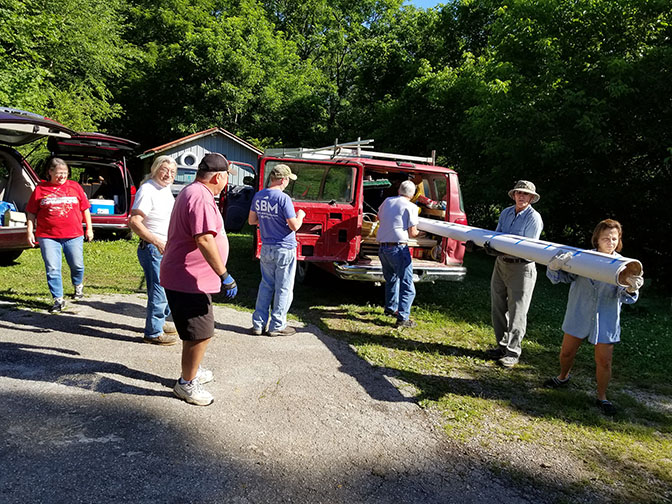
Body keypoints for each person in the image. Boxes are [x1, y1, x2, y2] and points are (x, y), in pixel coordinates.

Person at [160, 153, 238, 406]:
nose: (227, 181)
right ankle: (186, 383)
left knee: (197, 331)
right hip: (188, 278)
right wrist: (224, 275)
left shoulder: (192, 190)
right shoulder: (201, 197)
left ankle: (193, 369)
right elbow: (204, 238)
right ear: (218, 176)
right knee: (200, 333)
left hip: (190, 277)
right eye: (227, 176)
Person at [543, 219, 642, 416]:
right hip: (579, 313)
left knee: (604, 361)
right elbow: (560, 278)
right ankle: (563, 377)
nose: (610, 242)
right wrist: (554, 267)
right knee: (566, 353)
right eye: (606, 238)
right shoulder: (581, 258)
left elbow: (627, 298)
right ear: (597, 239)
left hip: (605, 319)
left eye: (614, 238)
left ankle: (602, 397)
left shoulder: (624, 265)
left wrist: (631, 287)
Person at [26, 158, 94, 313]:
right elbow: (31, 212)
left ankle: (78, 285)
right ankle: (58, 299)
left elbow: (85, 209)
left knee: (77, 265)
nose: (62, 177)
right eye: (59, 173)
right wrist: (29, 231)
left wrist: (89, 229)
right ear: (50, 172)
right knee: (52, 268)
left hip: (74, 235)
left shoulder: (75, 187)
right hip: (48, 236)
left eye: (65, 173)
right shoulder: (40, 189)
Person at [487, 180, 543, 368]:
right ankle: (501, 346)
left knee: (518, 310)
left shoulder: (533, 218)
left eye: (525, 194)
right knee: (498, 306)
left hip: (522, 268)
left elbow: (528, 248)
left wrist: (499, 249)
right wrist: (486, 247)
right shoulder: (506, 212)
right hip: (501, 264)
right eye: (518, 193)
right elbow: (497, 236)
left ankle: (513, 352)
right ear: (514, 195)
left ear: (531, 198)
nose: (521, 196)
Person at [248, 164, 305, 336]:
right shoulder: (283, 198)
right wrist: (300, 215)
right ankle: (277, 325)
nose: (288, 182)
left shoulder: (259, 195)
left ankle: (258, 324)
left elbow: (252, 221)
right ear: (283, 179)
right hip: (284, 248)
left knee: (266, 285)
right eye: (288, 179)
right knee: (284, 288)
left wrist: (268, 221)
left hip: (266, 247)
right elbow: (294, 226)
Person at [128, 155, 178, 345]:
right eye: (164, 170)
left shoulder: (164, 189)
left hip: (166, 247)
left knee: (166, 288)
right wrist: (157, 241)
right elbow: (134, 221)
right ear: (155, 169)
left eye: (172, 172)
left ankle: (161, 321)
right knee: (159, 290)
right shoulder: (148, 189)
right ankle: (153, 332)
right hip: (154, 248)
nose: (168, 174)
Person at [376, 179, 420, 328]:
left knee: (392, 279)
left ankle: (390, 308)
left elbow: (378, 217)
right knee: (407, 284)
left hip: (383, 248)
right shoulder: (411, 207)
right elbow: (413, 233)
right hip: (398, 249)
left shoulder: (387, 201)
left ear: (398, 191)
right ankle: (403, 318)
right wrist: (424, 232)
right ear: (413, 194)